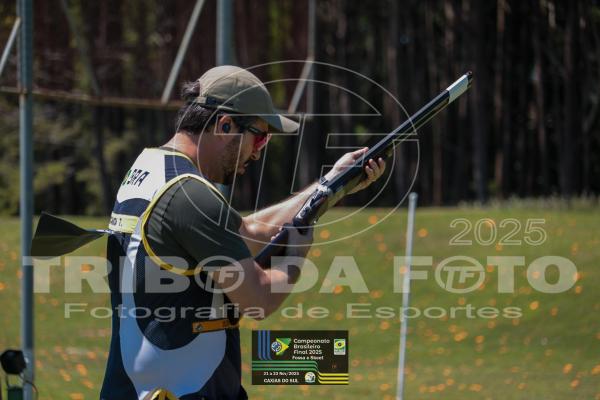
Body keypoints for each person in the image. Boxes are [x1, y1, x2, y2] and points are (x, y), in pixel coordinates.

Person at [99, 65, 386, 400]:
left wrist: (329, 185)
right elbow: (258, 299)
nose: (259, 150)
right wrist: (297, 252)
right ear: (225, 125)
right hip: (183, 390)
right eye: (259, 136)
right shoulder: (191, 196)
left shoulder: (151, 168)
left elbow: (247, 232)